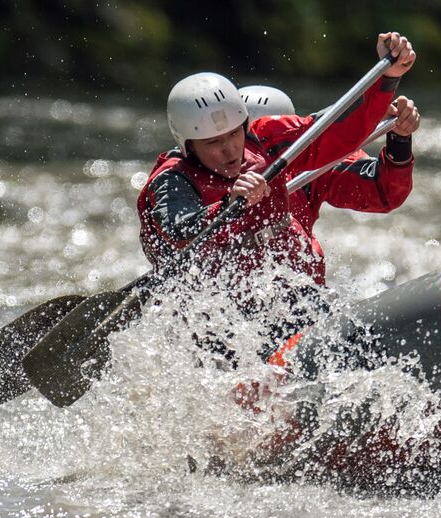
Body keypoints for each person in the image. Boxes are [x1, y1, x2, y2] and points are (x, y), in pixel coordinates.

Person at [136, 32, 417, 356]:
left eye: (233, 135)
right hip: (217, 325)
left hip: (293, 302)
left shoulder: (268, 142)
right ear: (187, 144)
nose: (229, 151)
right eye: (213, 142)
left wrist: (388, 78)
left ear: (245, 126)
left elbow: (336, 131)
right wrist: (230, 205)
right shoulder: (172, 180)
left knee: (351, 335)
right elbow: (179, 229)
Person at [238, 83, 420, 285]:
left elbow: (383, 191)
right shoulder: (209, 175)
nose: (254, 156)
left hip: (297, 282)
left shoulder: (310, 168)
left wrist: (399, 140)